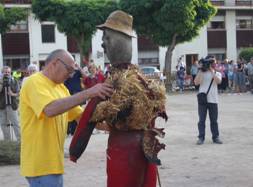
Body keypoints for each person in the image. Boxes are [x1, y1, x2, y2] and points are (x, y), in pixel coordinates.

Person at [69, 10, 167, 187]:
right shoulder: (138, 79)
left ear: (121, 39)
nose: (103, 44)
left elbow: (90, 115)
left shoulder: (127, 81)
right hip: (143, 147)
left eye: (107, 37)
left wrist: (75, 150)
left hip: (126, 150)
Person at [19, 49, 113, 187]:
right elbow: (50, 109)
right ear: (55, 63)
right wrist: (89, 93)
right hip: (40, 165)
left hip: (53, 164)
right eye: (69, 70)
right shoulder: (34, 82)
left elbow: (82, 117)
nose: (70, 75)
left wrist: (113, 126)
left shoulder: (61, 89)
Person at [194, 56, 223, 145]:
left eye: (212, 62)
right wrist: (201, 70)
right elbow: (196, 82)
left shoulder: (217, 73)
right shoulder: (202, 72)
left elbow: (218, 81)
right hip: (203, 100)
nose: (212, 64)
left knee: (214, 120)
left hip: (213, 100)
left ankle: (215, 137)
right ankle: (201, 138)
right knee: (201, 120)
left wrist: (211, 70)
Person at [64, 63, 87, 136]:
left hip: (77, 93)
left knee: (76, 112)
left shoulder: (77, 72)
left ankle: (74, 131)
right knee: (68, 111)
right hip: (68, 93)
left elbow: (85, 77)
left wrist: (79, 68)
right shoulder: (66, 72)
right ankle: (68, 130)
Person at [0, 66, 20, 141]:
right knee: (3, 124)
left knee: (16, 124)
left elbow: (19, 93)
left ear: (10, 72)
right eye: (5, 72)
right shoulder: (0, 81)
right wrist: (1, 82)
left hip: (12, 106)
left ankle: (19, 140)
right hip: (2, 106)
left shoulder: (15, 81)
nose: (7, 73)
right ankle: (7, 140)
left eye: (8, 72)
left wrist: (13, 94)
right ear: (2, 73)